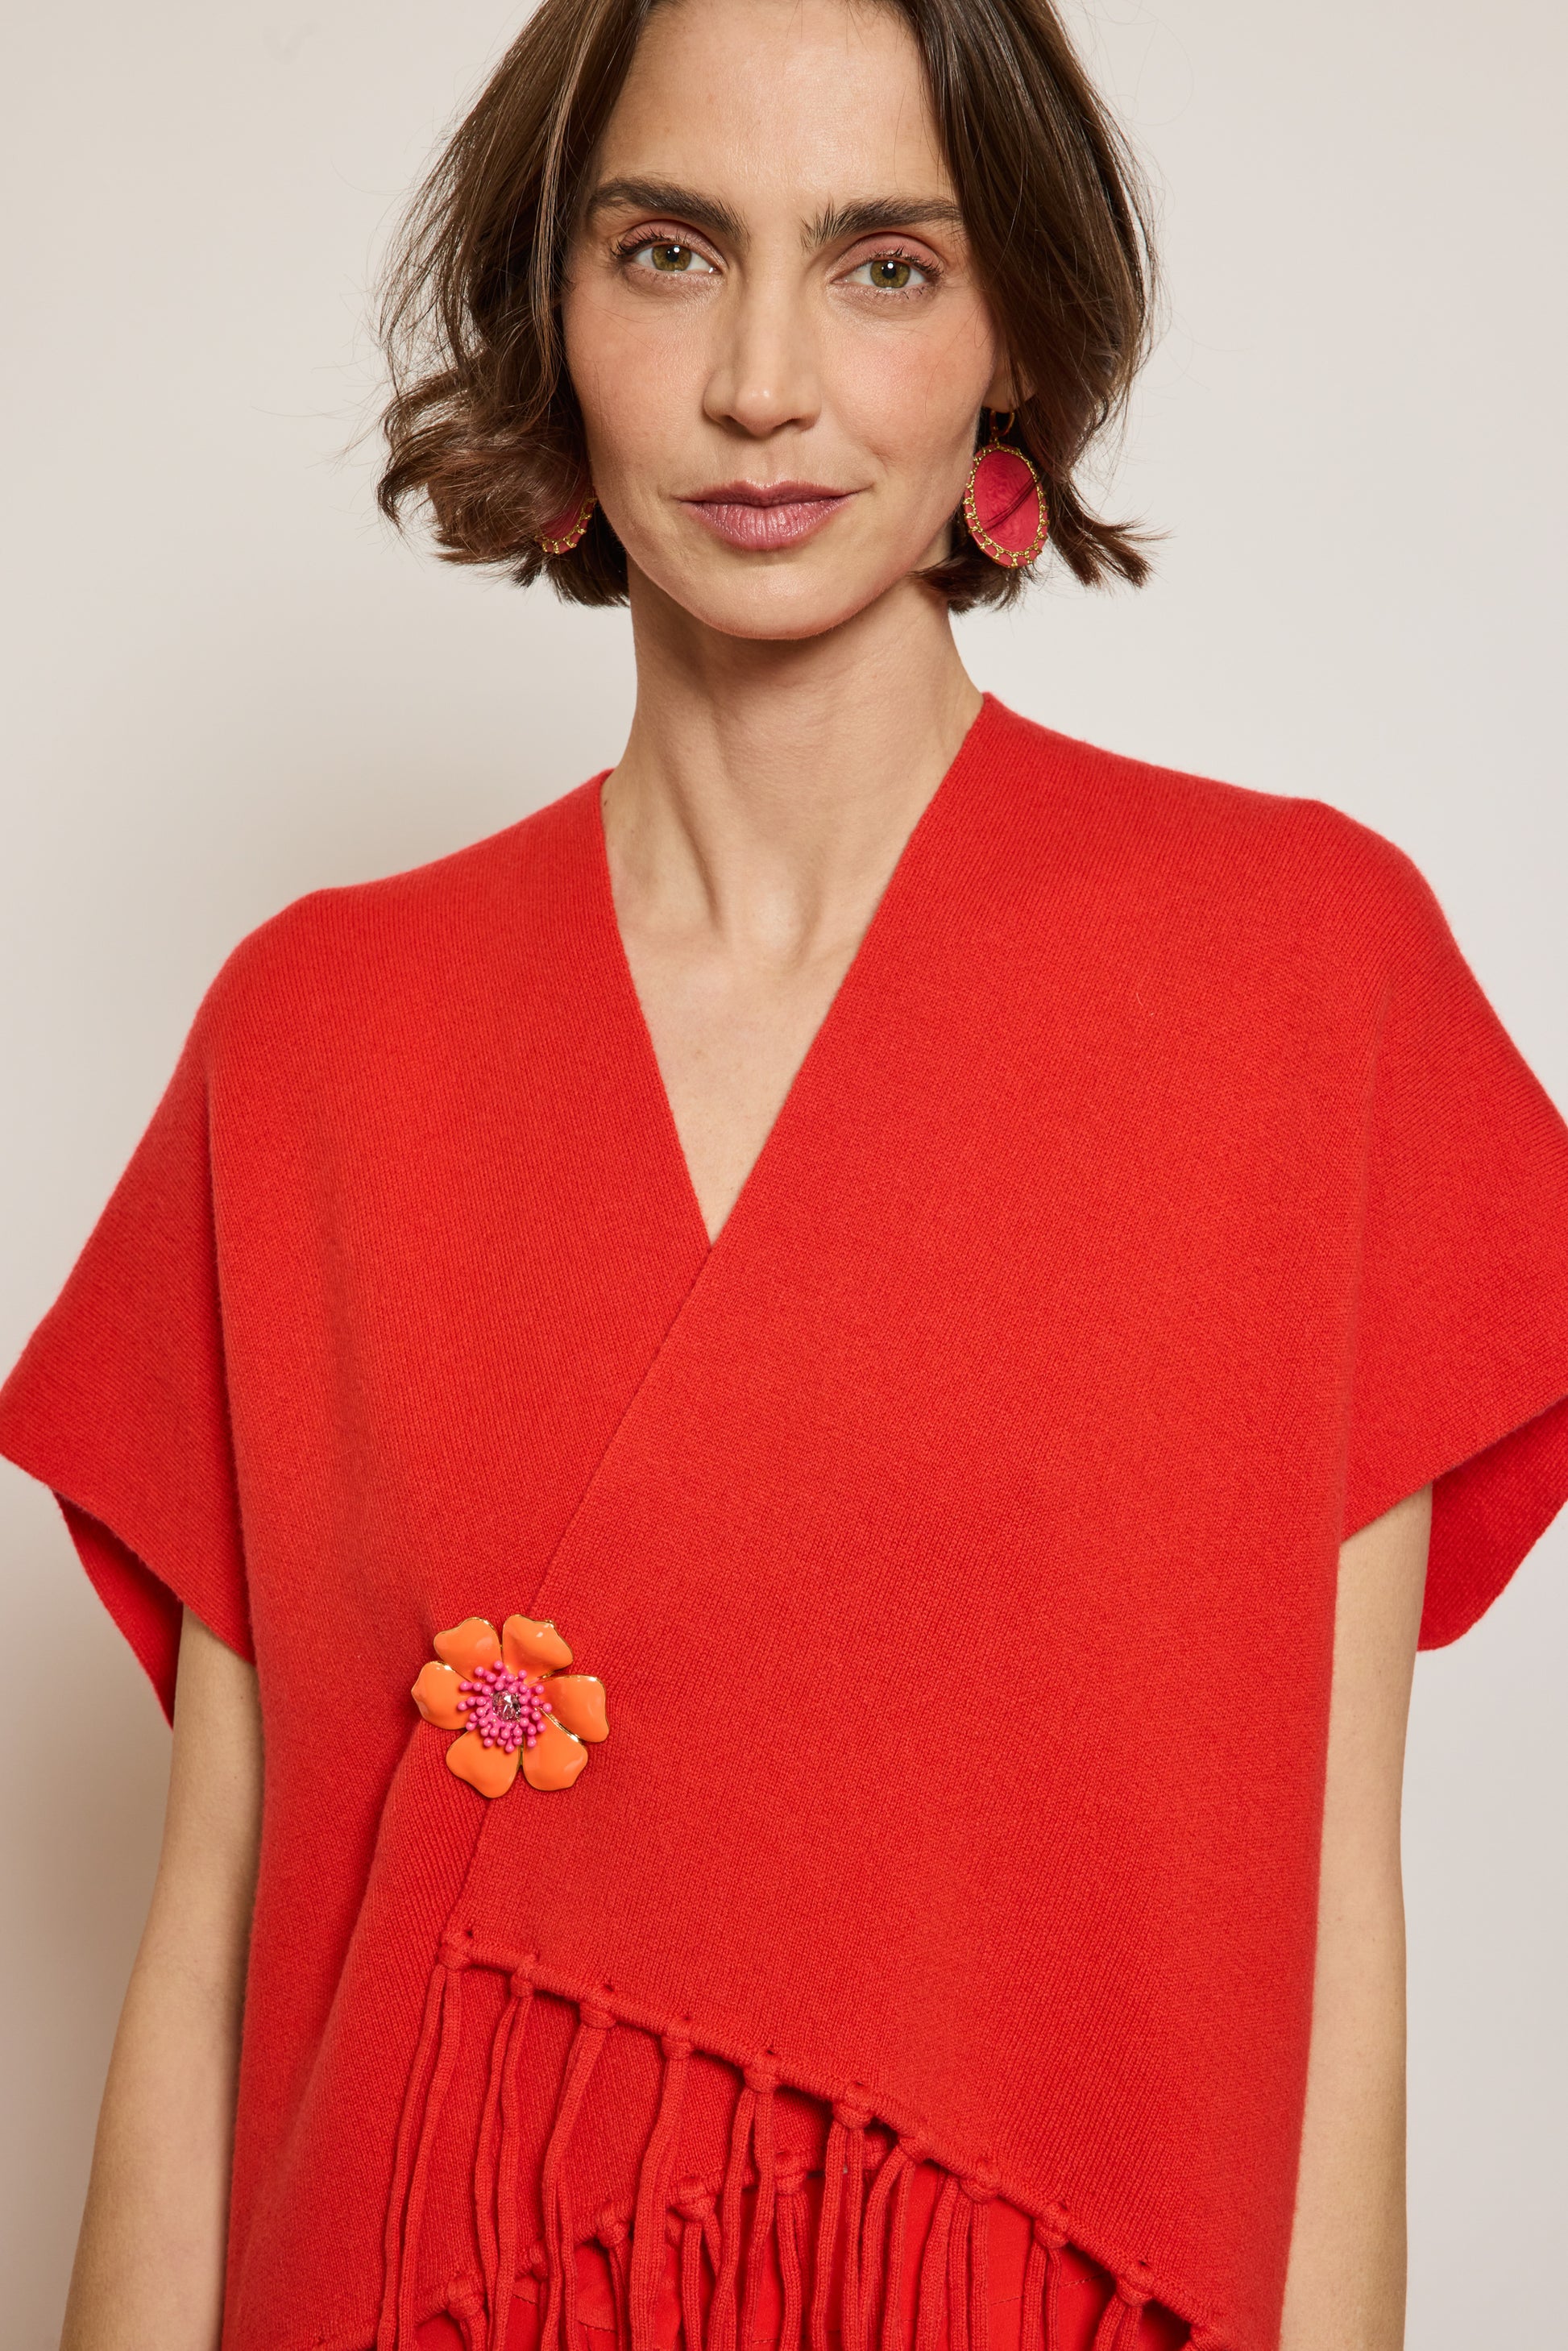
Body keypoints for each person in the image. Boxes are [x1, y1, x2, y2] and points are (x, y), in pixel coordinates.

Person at [2, 2, 1565, 2349]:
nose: (762, 384)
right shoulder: (319, 1035)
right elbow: (212, 1965)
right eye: (667, 253)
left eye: (883, 266)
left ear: (1013, 336)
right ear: (552, 315)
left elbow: (1330, 1947)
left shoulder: (1300, 985)